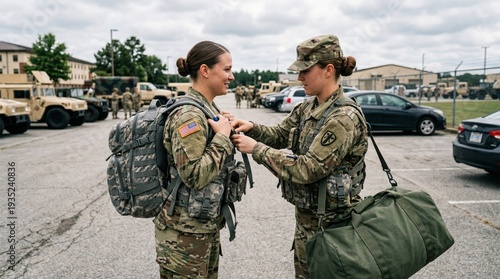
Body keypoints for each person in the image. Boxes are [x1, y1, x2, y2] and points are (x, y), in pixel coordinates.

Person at [230, 34, 368, 278]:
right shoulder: (308, 107)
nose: (299, 78)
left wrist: (256, 149)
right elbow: (281, 134)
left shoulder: (342, 118)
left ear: (328, 70)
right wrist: (251, 127)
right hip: (309, 223)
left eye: (305, 70)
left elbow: (308, 168)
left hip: (334, 228)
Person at [154, 40, 237, 279]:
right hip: (183, 235)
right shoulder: (188, 115)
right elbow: (193, 175)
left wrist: (225, 127)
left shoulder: (208, 109)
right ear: (205, 70)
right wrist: (222, 137)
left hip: (202, 227)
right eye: (227, 69)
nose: (231, 76)